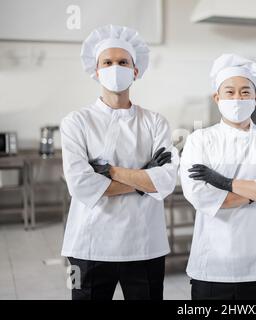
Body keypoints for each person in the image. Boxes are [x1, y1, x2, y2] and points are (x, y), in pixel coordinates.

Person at [60, 25, 179, 300]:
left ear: (135, 71)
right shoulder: (76, 122)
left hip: (144, 244)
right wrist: (143, 178)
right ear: (96, 70)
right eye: (108, 62)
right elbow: (80, 184)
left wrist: (111, 172)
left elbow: (166, 180)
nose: (116, 68)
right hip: (89, 246)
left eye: (123, 62)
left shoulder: (155, 122)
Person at [179, 53, 256, 300]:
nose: (237, 98)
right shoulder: (199, 139)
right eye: (229, 92)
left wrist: (223, 183)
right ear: (217, 97)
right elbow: (199, 195)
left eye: (245, 92)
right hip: (212, 263)